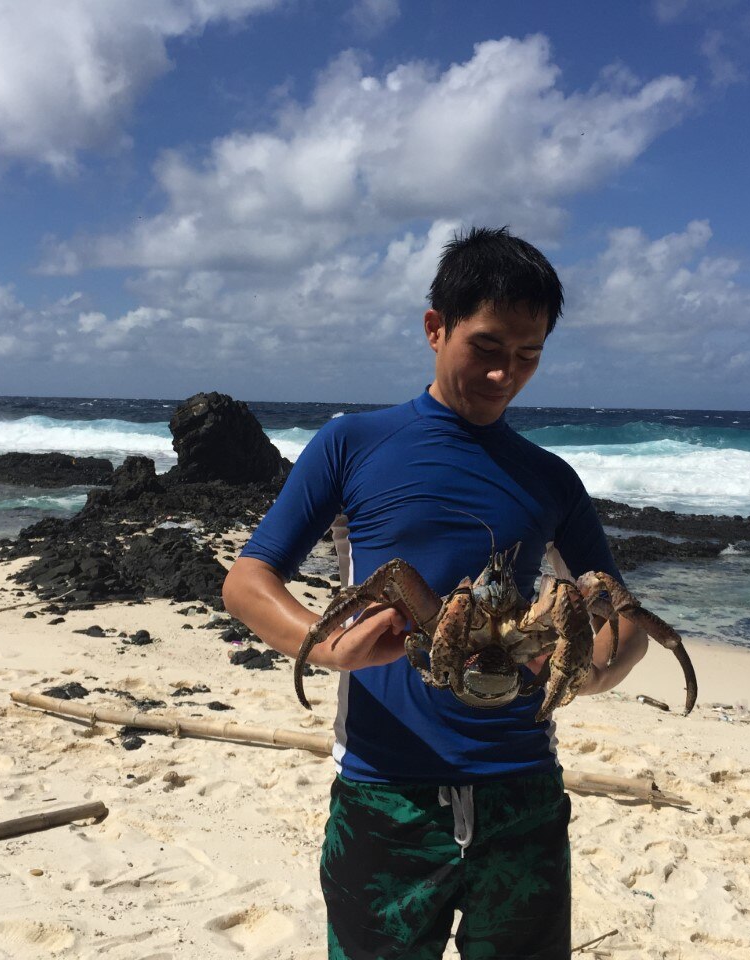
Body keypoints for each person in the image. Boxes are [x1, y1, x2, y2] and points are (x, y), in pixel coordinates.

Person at [222, 226, 649, 959]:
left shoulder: (551, 478)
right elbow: (248, 579)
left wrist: (596, 666)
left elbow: (622, 609)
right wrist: (323, 647)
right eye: (485, 348)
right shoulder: (353, 443)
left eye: (527, 357)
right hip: (385, 792)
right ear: (434, 328)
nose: (503, 375)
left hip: (522, 791)